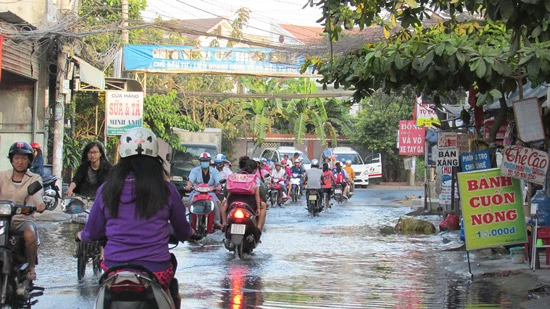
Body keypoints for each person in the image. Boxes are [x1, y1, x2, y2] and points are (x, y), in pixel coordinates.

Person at [78, 127, 196, 306]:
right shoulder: (167, 190)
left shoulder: (106, 190)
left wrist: (81, 236)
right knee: (172, 286)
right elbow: (183, 230)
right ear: (155, 158)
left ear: (122, 159)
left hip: (114, 271)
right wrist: (190, 233)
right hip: (156, 271)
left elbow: (91, 233)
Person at [0, 141, 46, 280]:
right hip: (2, 220)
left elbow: (37, 194)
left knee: (30, 234)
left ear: (29, 160)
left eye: (24, 158)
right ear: (12, 160)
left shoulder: (34, 178)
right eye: (17, 158)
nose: (20, 162)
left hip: (23, 219)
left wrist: (40, 204)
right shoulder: (2, 176)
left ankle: (31, 267)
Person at [226, 159, 266, 239]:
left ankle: (224, 224)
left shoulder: (235, 176)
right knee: (264, 206)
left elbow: (229, 191)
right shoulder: (255, 178)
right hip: (249, 202)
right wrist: (258, 208)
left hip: (233, 201)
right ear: (254, 170)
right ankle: (258, 229)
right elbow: (257, 194)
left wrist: (227, 203)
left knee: (223, 204)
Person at [185, 152, 225, 227]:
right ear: (200, 161)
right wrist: (188, 185)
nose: (205, 162)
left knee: (217, 203)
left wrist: (219, 186)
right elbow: (190, 180)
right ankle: (191, 221)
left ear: (210, 161)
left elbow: (218, 182)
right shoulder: (195, 170)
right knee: (190, 202)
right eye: (203, 161)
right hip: (197, 192)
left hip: (210, 192)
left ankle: (217, 222)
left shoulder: (214, 171)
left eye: (206, 161)